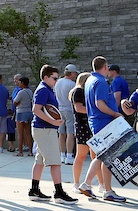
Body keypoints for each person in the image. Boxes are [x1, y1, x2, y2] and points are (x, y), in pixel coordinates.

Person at [29, 65, 77, 203]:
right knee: (55, 162)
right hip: (45, 130)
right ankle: (59, 193)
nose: (56, 81)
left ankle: (34, 190)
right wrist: (53, 121)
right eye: (54, 78)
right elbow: (36, 109)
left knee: (40, 161)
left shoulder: (46, 89)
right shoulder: (43, 90)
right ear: (46, 77)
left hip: (43, 129)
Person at [81, 56, 126, 203]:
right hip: (104, 123)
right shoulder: (100, 81)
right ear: (105, 67)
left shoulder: (89, 80)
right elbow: (100, 103)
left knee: (106, 157)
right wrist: (115, 114)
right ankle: (89, 185)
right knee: (104, 155)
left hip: (97, 122)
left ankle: (107, 190)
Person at [69, 71, 94, 195]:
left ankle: (101, 184)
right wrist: (95, 110)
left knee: (96, 157)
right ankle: (76, 183)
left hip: (90, 126)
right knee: (81, 155)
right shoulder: (78, 91)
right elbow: (78, 108)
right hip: (83, 126)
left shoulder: (86, 91)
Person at [55, 65, 78, 165]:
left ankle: (62, 155)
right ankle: (69, 155)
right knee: (70, 133)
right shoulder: (72, 84)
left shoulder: (58, 82)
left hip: (60, 109)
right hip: (69, 109)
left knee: (61, 133)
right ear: (72, 73)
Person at [13, 76, 34, 157]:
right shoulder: (30, 91)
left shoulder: (21, 92)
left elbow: (15, 102)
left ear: (22, 83)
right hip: (29, 112)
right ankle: (30, 151)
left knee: (20, 133)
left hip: (21, 112)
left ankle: (20, 151)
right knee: (28, 133)